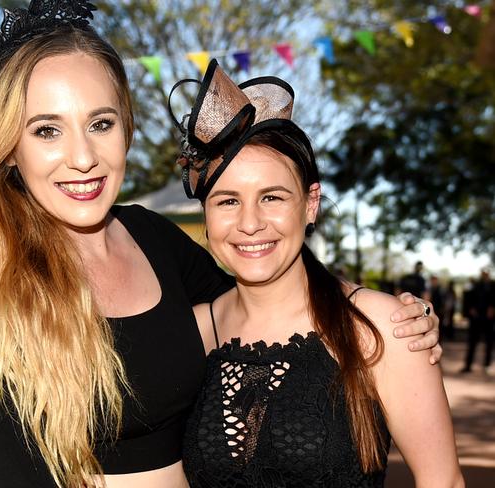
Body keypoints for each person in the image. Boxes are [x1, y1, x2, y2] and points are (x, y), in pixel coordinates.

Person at [0, 2, 442, 487]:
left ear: (127, 128)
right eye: (46, 131)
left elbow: (267, 292)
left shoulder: (153, 239)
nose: (82, 157)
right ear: (9, 149)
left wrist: (378, 314)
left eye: (100, 123)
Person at [169, 60, 462, 487]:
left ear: (310, 204)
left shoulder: (381, 326)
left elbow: (444, 481)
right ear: (206, 216)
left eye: (271, 197)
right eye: (228, 201)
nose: (250, 223)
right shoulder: (192, 331)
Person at [460, 269, 495, 373]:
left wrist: (492, 308)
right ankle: (468, 365)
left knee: (489, 342)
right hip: (476, 319)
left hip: (489, 319)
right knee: (472, 342)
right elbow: (468, 299)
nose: (485, 275)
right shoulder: (476, 285)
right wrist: (471, 309)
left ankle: (487, 365)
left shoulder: (493, 285)